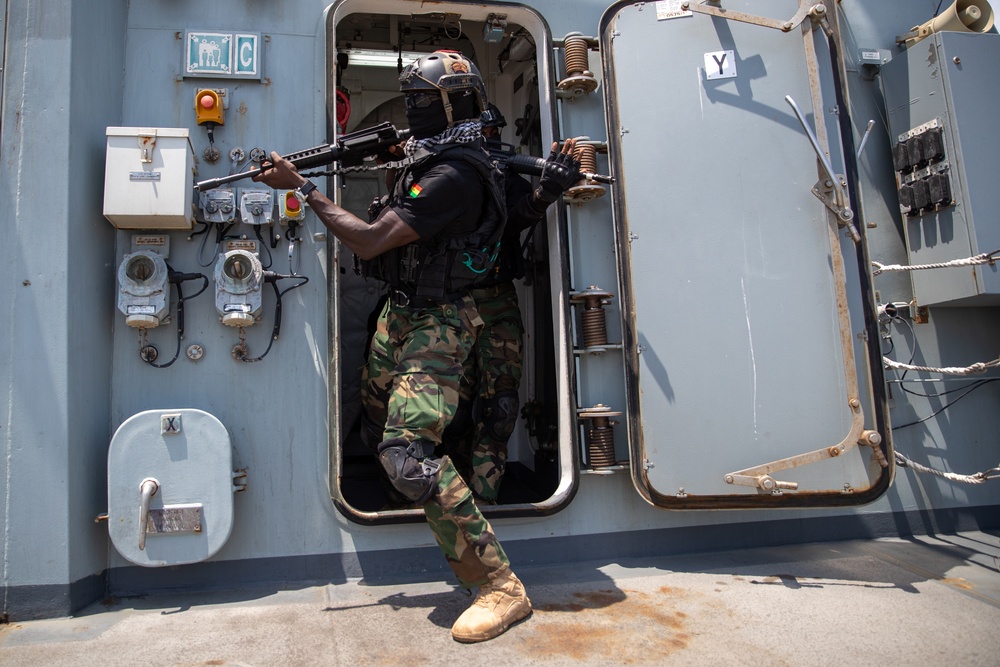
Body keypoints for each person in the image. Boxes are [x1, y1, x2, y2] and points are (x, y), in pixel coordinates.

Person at [253, 51, 530, 643]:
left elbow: (375, 240)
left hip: (442, 321)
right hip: (403, 310)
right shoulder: (430, 157)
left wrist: (302, 187)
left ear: (455, 105)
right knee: (375, 414)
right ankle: (425, 501)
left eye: (423, 103)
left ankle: (499, 586)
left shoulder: (456, 173)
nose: (413, 113)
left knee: (406, 454)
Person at [445, 104, 581, 502]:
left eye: (492, 132)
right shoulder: (439, 172)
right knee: (449, 412)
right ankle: (453, 499)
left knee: (502, 406)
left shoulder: (505, 171)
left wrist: (546, 193)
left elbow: (520, 216)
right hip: (447, 304)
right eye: (481, 132)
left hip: (496, 299)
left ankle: (485, 497)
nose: (489, 140)